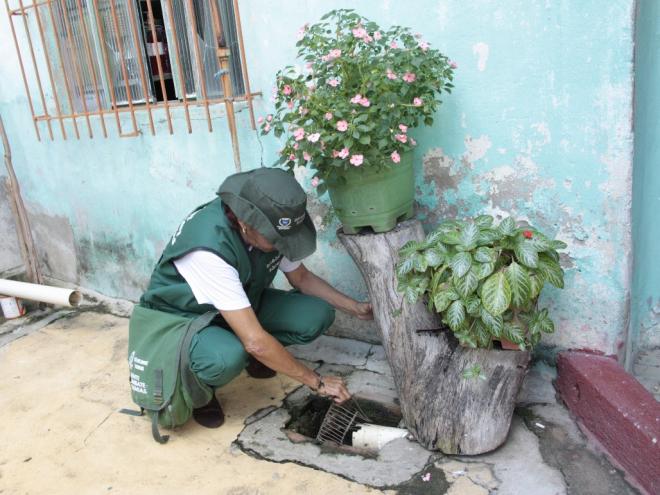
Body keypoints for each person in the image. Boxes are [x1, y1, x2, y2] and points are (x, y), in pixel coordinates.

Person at [137, 168, 373, 428]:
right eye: (274, 239)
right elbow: (256, 342)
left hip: (237, 305)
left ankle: (251, 357)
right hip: (186, 318)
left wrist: (355, 307)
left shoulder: (271, 228)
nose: (281, 244)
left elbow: (302, 279)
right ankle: (200, 390)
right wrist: (316, 381)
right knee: (225, 357)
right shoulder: (209, 249)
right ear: (244, 223)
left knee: (316, 315)